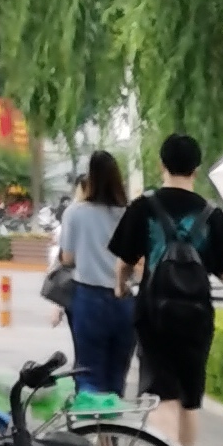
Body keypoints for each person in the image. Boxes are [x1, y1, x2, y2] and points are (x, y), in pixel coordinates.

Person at [110, 130, 223, 446]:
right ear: (196, 169)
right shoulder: (212, 214)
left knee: (162, 392)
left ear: (161, 165)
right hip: (197, 315)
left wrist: (120, 286)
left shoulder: (143, 207)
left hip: (154, 312)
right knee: (190, 398)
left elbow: (124, 262)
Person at [58, 152, 137, 403]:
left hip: (88, 299)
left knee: (88, 372)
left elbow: (67, 259)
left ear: (90, 178)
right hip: (124, 298)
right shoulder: (130, 214)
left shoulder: (74, 213)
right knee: (117, 374)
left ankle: (92, 423)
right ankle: (112, 425)